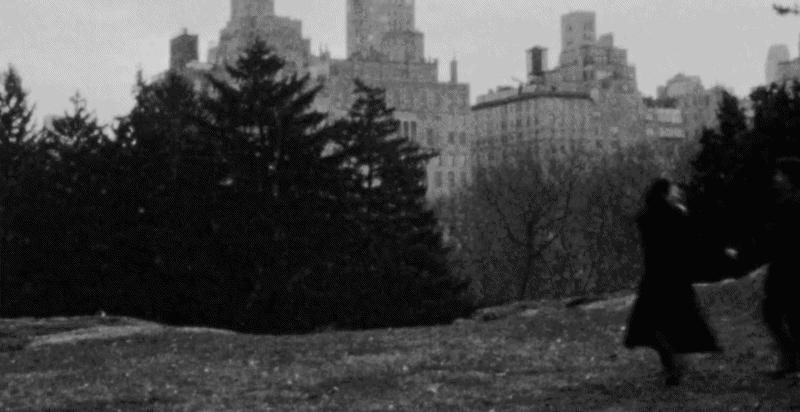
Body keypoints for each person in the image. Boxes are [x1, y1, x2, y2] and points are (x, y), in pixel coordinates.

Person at [624, 178, 722, 386]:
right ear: (666, 193)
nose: (678, 192)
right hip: (675, 277)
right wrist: (720, 252)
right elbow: (695, 241)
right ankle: (674, 365)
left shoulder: (645, 217)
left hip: (654, 277)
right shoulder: (677, 214)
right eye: (674, 189)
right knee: (675, 321)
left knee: (652, 324)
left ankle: (670, 364)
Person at [758, 156, 800, 379]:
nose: (775, 177)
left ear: (789, 177)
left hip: (789, 267)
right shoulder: (786, 199)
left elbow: (778, 235)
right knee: (778, 313)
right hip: (784, 266)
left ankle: (790, 361)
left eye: (779, 174)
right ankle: (790, 360)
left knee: (781, 314)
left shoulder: (792, 202)